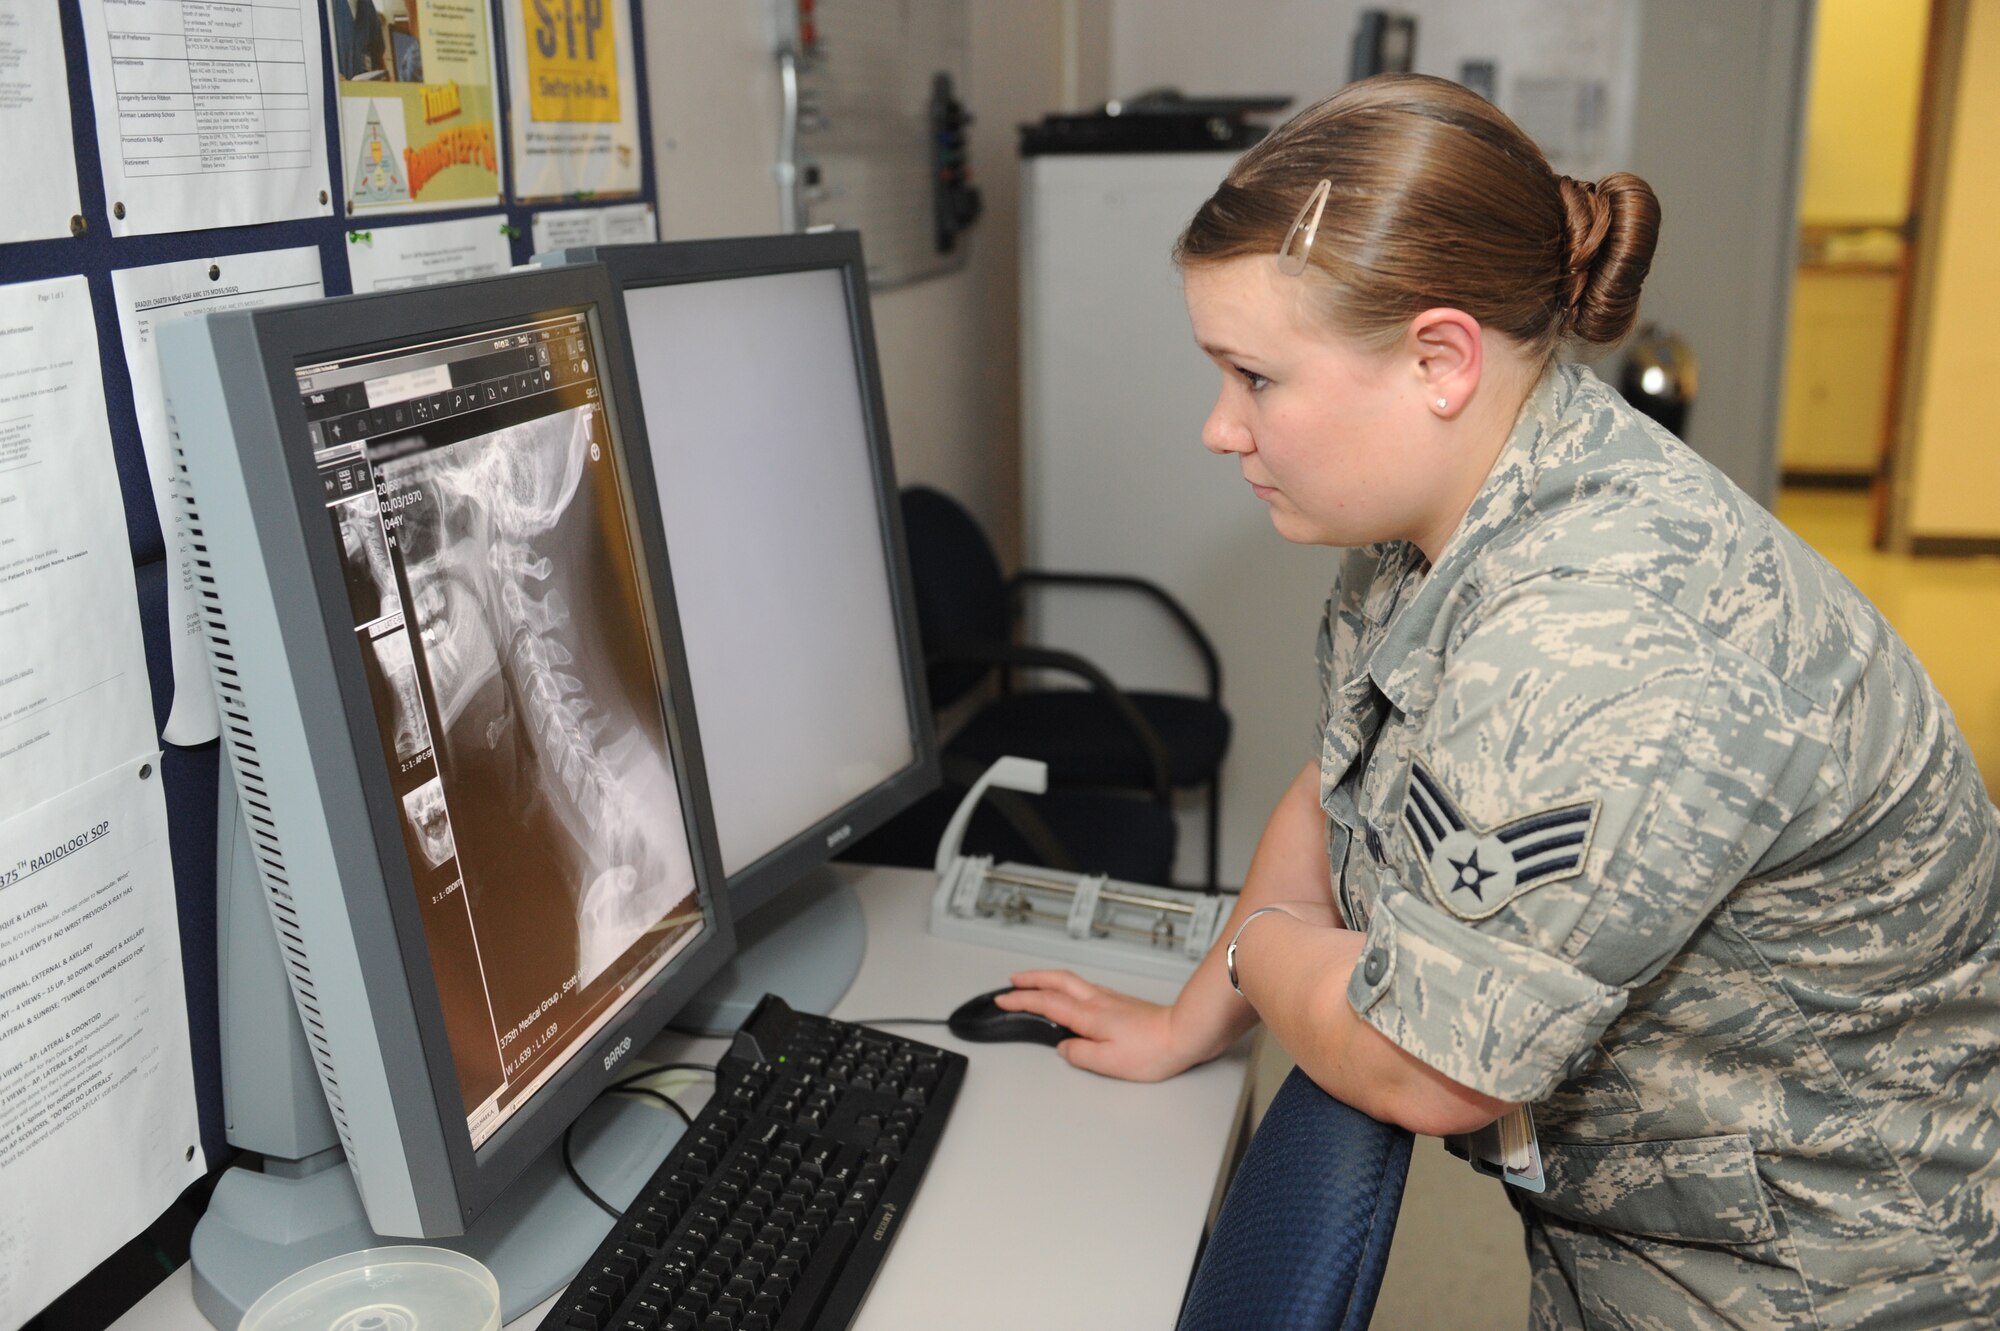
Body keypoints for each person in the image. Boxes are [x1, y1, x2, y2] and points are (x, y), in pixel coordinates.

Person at [1000, 74, 2000, 1329]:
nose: (1219, 426)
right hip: (1657, 1223)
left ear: (1437, 358)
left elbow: (1425, 1066)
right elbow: (1341, 785)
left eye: (1253, 377)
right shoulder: (1450, 511)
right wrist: (1188, 1022)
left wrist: (1255, 949)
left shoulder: (1596, 638)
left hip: (1813, 1279)